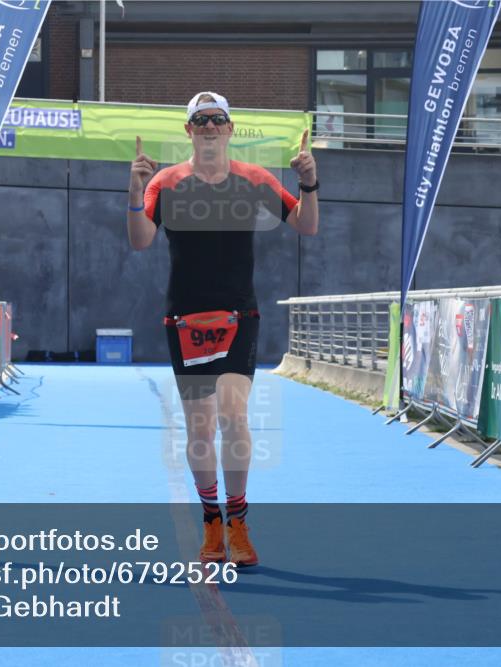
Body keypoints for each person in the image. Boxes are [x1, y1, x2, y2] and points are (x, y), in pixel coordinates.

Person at [127, 91, 319, 566]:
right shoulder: (166, 182)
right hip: (186, 317)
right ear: (188, 130)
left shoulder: (254, 180)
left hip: (239, 314)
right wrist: (134, 193)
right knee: (200, 424)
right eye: (200, 120)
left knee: (233, 416)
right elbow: (140, 241)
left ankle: (238, 520)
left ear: (230, 129)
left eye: (217, 119)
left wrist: (310, 184)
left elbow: (305, 225)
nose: (209, 126)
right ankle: (211, 520)